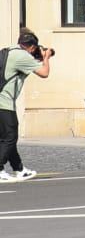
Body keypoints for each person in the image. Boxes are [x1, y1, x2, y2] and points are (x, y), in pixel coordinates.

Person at [0, 31, 52, 182]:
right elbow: (44, 73)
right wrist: (46, 58)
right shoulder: (23, 56)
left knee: (5, 138)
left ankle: (19, 169)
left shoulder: (10, 51)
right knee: (10, 137)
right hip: (4, 102)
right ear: (31, 47)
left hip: (2, 102)